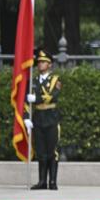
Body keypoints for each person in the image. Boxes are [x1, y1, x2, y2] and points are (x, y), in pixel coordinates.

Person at [24, 50, 63, 190]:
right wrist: (25, 118)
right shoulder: (32, 82)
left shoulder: (55, 80)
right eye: (39, 62)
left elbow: (53, 96)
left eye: (43, 62)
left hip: (51, 117)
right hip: (38, 118)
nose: (40, 64)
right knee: (40, 151)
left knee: (52, 150)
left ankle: (52, 181)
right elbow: (25, 102)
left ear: (50, 64)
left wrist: (37, 98)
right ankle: (42, 181)